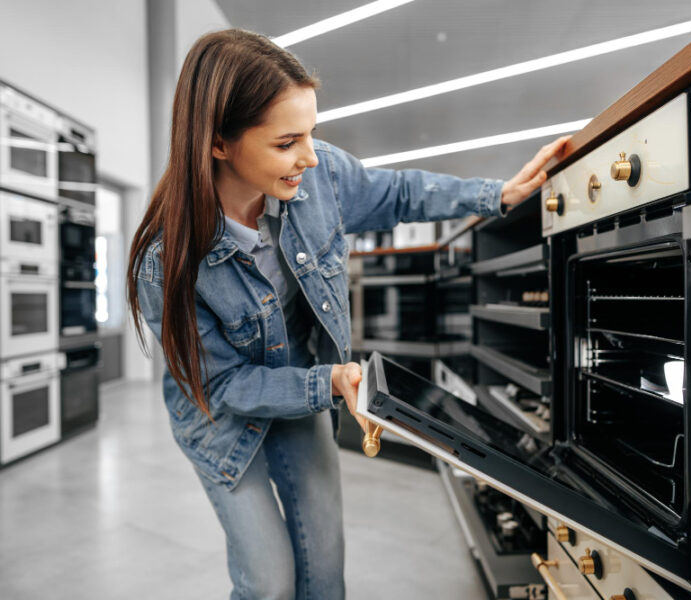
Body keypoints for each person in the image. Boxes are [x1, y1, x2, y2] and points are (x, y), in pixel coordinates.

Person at [127, 28, 569, 600]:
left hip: (302, 388)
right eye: (287, 142)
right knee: (269, 582)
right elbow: (226, 384)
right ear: (218, 143)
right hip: (222, 418)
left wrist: (497, 196)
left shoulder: (321, 176)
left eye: (311, 134)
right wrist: (330, 382)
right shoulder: (166, 262)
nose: (309, 157)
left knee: (325, 573)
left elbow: (401, 193)